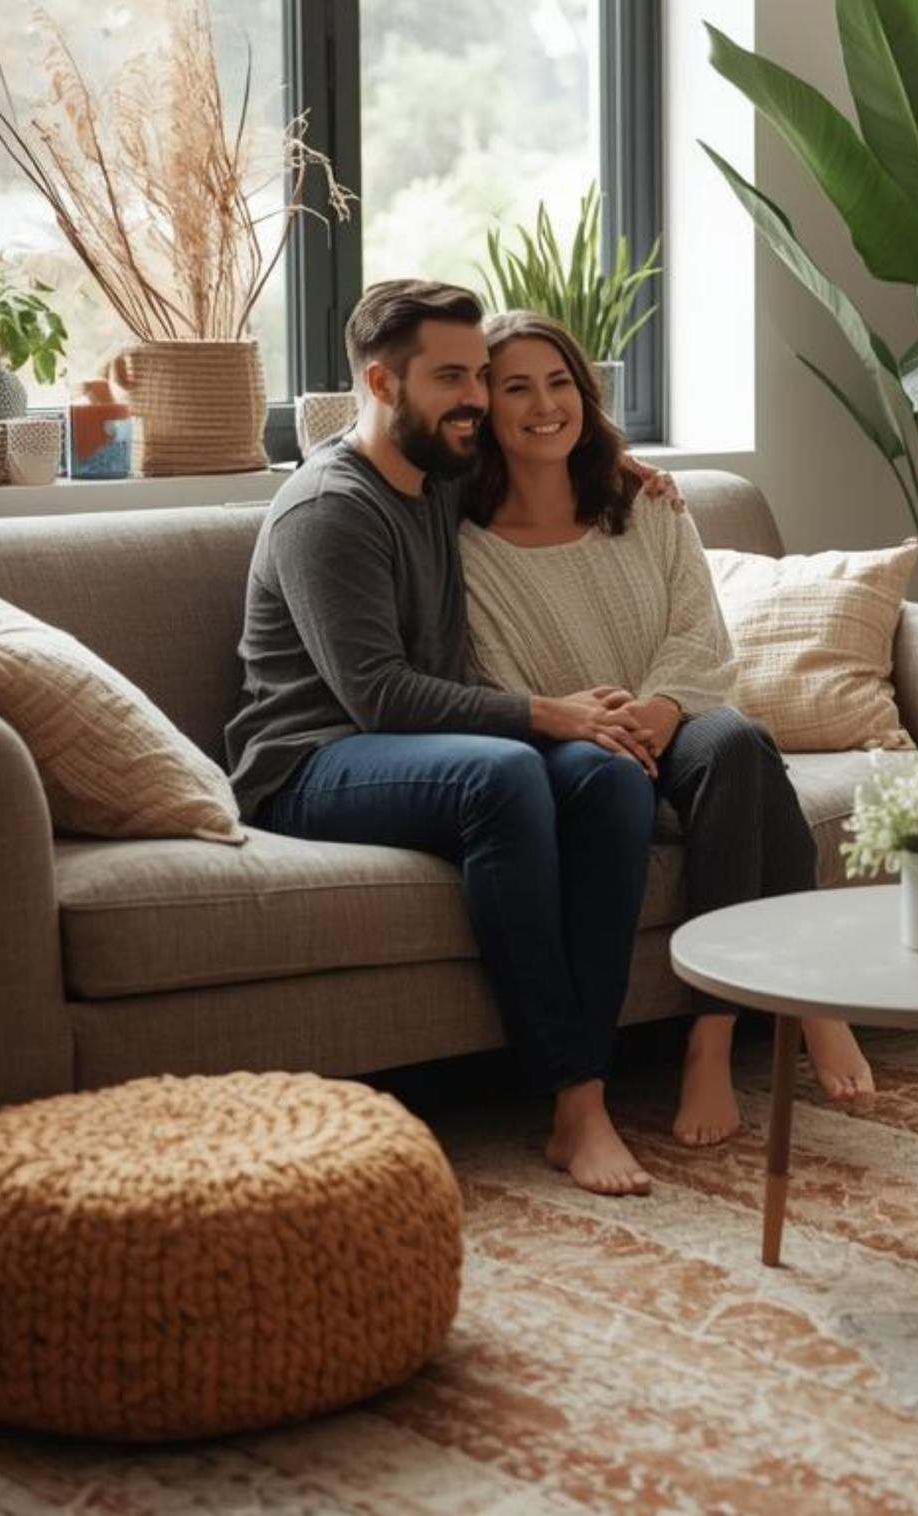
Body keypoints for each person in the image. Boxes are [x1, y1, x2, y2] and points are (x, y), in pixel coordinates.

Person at [225, 279, 685, 1199]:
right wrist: (549, 710)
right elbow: (380, 697)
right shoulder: (330, 510)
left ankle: (579, 1098)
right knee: (509, 773)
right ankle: (578, 1100)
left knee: (611, 779)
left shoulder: (439, 472)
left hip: (418, 750)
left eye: (480, 373)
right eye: (451, 377)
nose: (476, 397)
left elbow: (547, 449)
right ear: (383, 384)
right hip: (312, 762)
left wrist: (622, 462)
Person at [456, 310, 874, 1162]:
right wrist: (587, 718)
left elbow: (700, 630)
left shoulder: (646, 503)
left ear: (585, 390)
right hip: (565, 742)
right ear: (484, 410)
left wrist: (661, 708)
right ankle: (810, 999)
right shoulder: (460, 542)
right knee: (695, 757)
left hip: (668, 717)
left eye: (560, 382)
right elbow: (489, 670)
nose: (545, 405)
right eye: (517, 388)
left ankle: (710, 1040)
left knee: (739, 743)